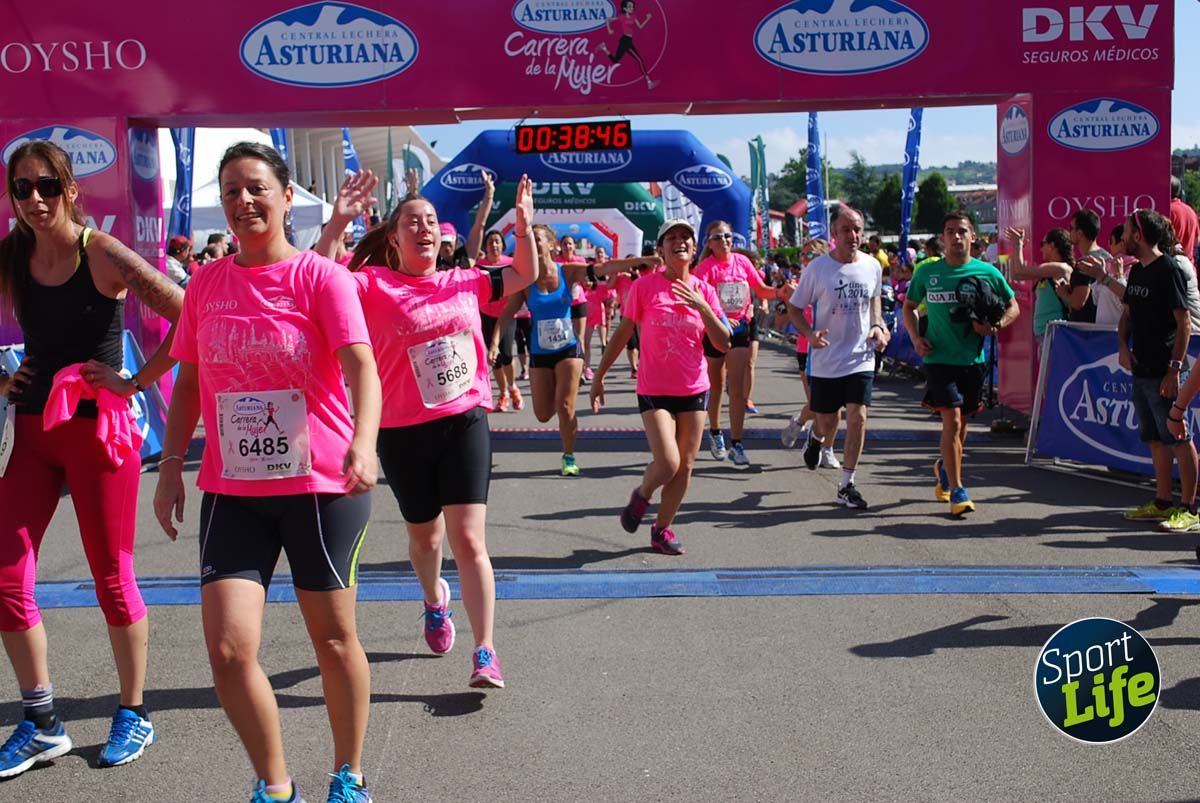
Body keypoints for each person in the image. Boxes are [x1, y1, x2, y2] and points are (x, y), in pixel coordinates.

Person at [154, 142, 382, 803]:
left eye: (256, 188)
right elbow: (190, 385)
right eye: (230, 191)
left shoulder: (322, 278)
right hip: (233, 488)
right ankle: (276, 785)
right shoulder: (206, 284)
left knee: (334, 640)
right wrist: (171, 467)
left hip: (321, 486)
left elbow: (363, 368)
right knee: (228, 651)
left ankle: (348, 772)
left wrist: (364, 444)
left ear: (286, 197)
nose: (243, 201)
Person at [0, 141, 183, 778]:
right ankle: (41, 720)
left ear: (71, 189)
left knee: (111, 576)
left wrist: (135, 382)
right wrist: (2, 381)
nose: (34, 199)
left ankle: (135, 711)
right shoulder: (14, 253)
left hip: (99, 433)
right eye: (21, 188)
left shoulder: (98, 251)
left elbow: (185, 312)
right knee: (4, 575)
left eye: (46, 185)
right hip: (33, 431)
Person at [329, 169, 539, 692]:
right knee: (426, 540)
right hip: (400, 432)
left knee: (469, 538)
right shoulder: (373, 285)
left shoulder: (465, 279)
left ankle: (486, 649)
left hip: (464, 422)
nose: (423, 229)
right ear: (394, 238)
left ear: (441, 237)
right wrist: (339, 222)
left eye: (429, 222)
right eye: (411, 222)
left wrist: (525, 225)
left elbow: (523, 274)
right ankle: (433, 601)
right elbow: (322, 277)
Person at [590, 220, 731, 554]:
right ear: (661, 249)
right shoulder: (645, 287)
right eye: (672, 238)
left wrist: (703, 306)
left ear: (694, 249)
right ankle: (643, 493)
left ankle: (662, 529)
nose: (679, 241)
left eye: (685, 237)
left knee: (686, 465)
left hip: (694, 387)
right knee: (668, 463)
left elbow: (723, 343)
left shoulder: (705, 289)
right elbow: (623, 333)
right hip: (655, 389)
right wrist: (599, 376)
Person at [494, 225, 642, 476]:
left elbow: (603, 269)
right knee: (542, 414)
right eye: (529, 240)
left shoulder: (568, 271)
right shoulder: (525, 280)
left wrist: (643, 260)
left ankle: (568, 456)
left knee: (565, 406)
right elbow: (507, 313)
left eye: (538, 239)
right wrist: (494, 344)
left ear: (552, 245)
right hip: (540, 354)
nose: (533, 243)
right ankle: (557, 397)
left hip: (568, 350)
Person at [903, 213, 1019, 517]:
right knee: (952, 422)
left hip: (972, 360)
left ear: (972, 238)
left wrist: (996, 327)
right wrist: (916, 338)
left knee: (961, 426)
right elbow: (909, 307)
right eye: (950, 232)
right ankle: (957, 490)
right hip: (937, 358)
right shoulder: (928, 272)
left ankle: (944, 465)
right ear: (943, 238)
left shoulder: (986, 272)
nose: (956, 237)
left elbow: (1013, 305)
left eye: (962, 232)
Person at [787, 208, 887, 508]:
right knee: (828, 420)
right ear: (834, 234)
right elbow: (794, 308)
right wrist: (809, 334)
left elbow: (874, 300)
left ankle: (847, 484)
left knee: (858, 416)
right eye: (846, 230)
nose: (853, 235)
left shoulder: (871, 266)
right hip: (826, 359)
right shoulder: (817, 269)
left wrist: (878, 326)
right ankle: (816, 438)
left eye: (857, 229)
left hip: (860, 357)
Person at [1111, 208, 1199, 532]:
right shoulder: (1136, 273)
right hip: (1141, 369)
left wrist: (1174, 369)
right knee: (1154, 438)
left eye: (1126, 230)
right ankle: (1162, 501)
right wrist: (1122, 345)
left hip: (1165, 370)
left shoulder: (1170, 269)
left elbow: (1184, 322)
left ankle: (1190, 507)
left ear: (1140, 235)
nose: (1121, 236)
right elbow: (1127, 315)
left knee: (1179, 436)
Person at [694, 221, 790, 467]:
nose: (724, 241)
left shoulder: (743, 262)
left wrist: (780, 292)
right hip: (714, 331)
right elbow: (697, 299)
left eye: (727, 236)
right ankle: (715, 433)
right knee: (716, 387)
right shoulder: (705, 268)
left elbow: (761, 289)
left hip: (739, 330)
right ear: (709, 243)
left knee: (736, 390)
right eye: (717, 237)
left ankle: (737, 442)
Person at [1005, 227, 1072, 354]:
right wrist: (1016, 247)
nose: (1041, 249)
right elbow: (1016, 275)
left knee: (1053, 373)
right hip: (1046, 334)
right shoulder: (1050, 270)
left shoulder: (1060, 268)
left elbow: (1020, 270)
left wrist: (1018, 244)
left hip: (1056, 334)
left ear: (1052, 245)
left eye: (1043, 244)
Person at [1057, 209, 1113, 324]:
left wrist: (1064, 294)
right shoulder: (1107, 256)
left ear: (1080, 233)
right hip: (1104, 327)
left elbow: (1078, 303)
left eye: (1071, 228)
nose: (1069, 232)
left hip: (1085, 332)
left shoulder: (1085, 263)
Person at [598, 0, 658, 89]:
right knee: (639, 60)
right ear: (624, 8)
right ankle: (649, 82)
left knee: (615, 60)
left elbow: (640, 26)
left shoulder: (633, 17)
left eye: (632, 6)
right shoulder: (621, 17)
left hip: (628, 41)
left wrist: (647, 19)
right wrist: (609, 30)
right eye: (630, 6)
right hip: (625, 41)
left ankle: (604, 47)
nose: (632, 8)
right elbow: (608, 19)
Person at [1170, 175, 1198, 265]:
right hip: (1189, 267)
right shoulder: (1190, 211)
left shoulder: (1168, 210)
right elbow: (1197, 241)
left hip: (1171, 267)